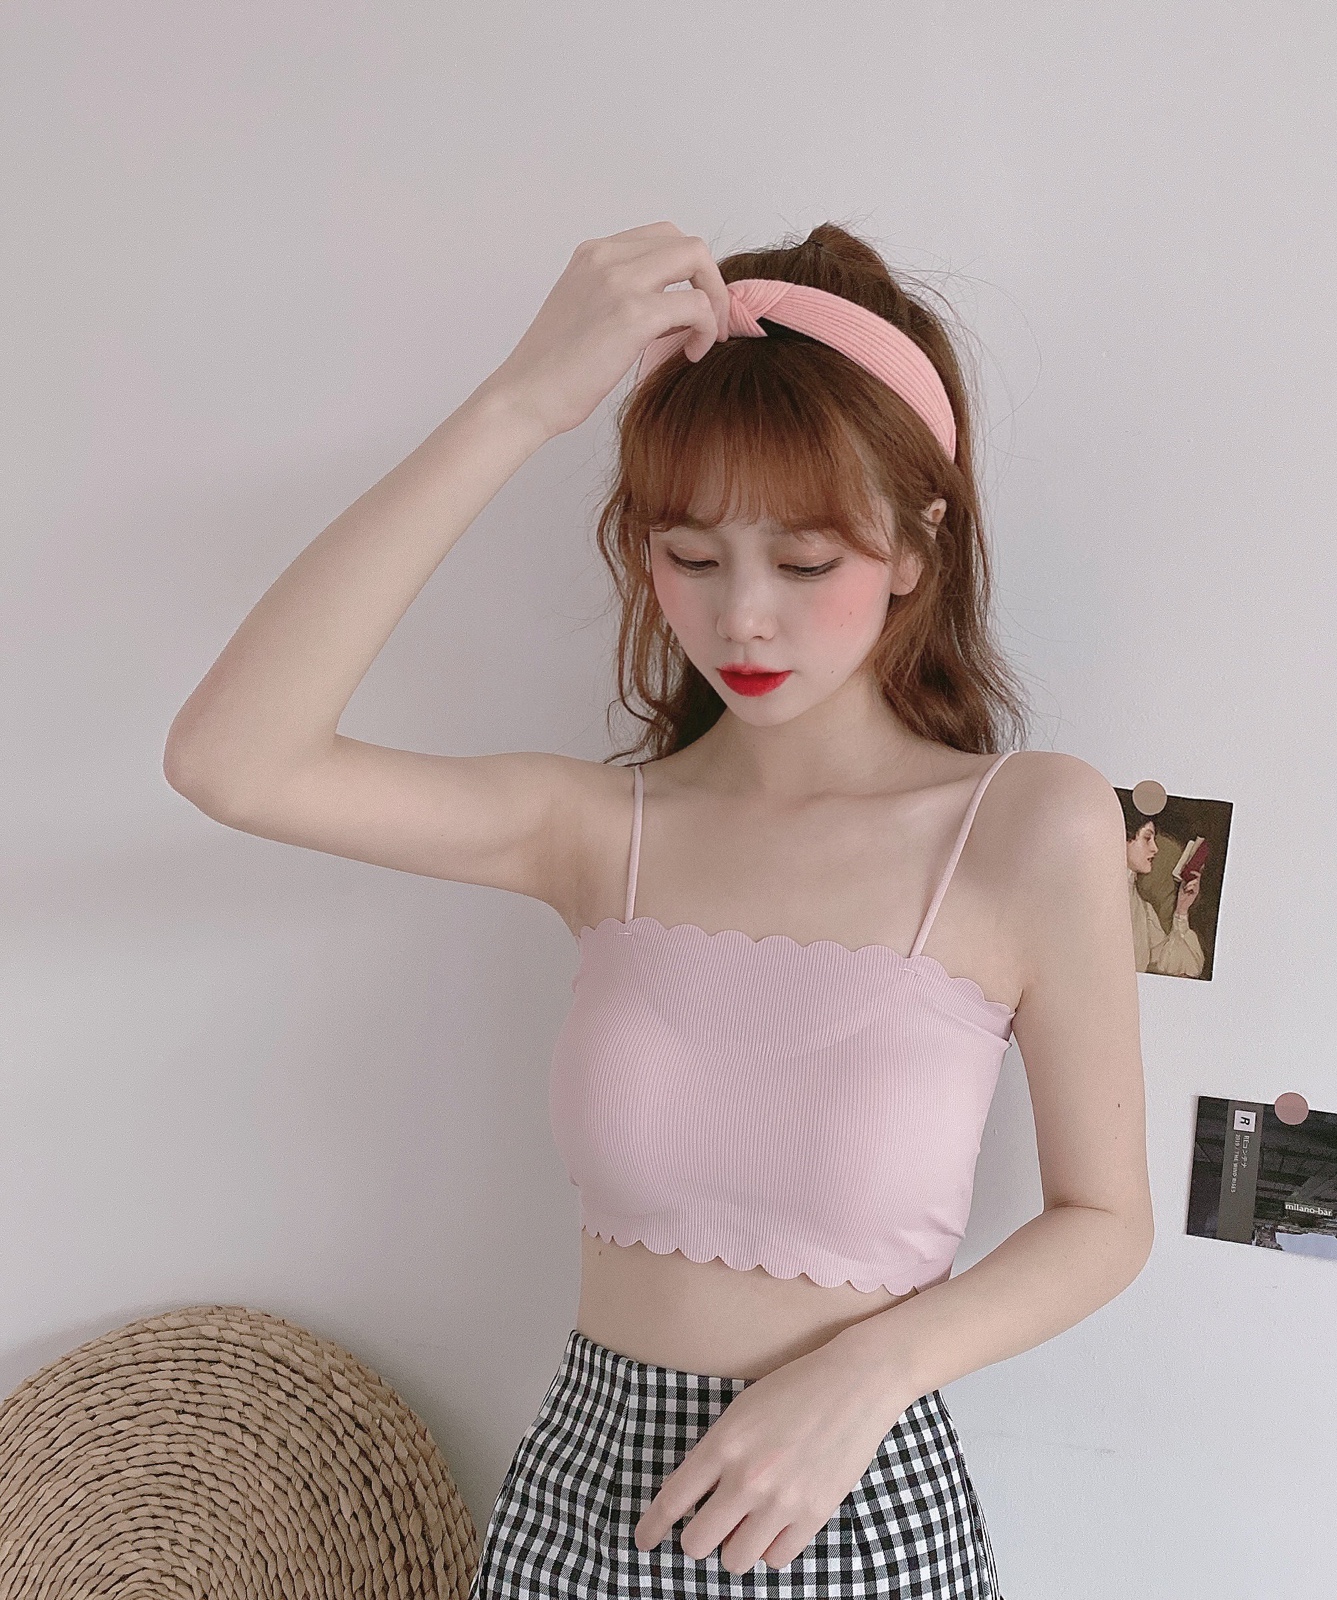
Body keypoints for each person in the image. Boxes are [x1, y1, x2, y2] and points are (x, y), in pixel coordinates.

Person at [164, 219, 1155, 1598]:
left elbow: (1104, 1216)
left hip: (854, 1509)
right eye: (690, 555)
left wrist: (874, 1370)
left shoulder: (1026, 826)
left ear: (915, 548)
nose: (742, 617)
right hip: (580, 1512)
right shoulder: (598, 831)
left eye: (804, 564)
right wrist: (521, 402)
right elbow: (231, 760)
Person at [1121, 806, 1206, 978]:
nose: (1155, 848)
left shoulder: (1144, 910)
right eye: (1147, 838)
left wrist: (1181, 910)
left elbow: (1177, 967)